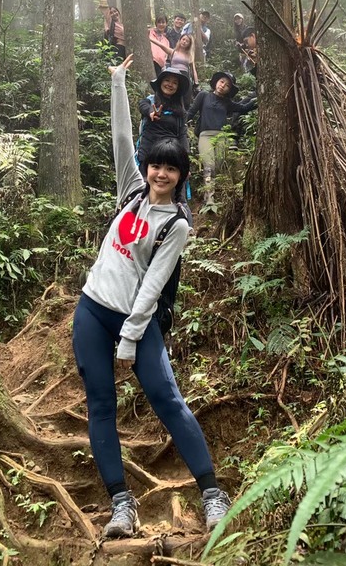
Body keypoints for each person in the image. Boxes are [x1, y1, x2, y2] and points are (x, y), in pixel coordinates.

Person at [72, 54, 231, 537]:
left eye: (170, 168)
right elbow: (123, 138)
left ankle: (211, 493)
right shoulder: (130, 190)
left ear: (182, 175)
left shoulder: (177, 224)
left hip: (133, 324)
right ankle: (122, 505)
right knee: (99, 405)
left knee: (166, 398)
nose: (161, 173)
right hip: (91, 312)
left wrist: (129, 338)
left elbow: (153, 286)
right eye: (156, 165)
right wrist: (118, 83)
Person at [186, 71, 256, 202]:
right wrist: (180, 124)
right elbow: (191, 112)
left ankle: (215, 196)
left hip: (222, 137)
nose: (223, 85)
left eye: (227, 85)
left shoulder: (227, 103)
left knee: (217, 167)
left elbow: (244, 108)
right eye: (222, 81)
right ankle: (209, 200)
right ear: (216, 82)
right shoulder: (203, 96)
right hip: (205, 136)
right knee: (208, 165)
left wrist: (259, 97)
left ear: (229, 89)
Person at [137, 66, 191, 169]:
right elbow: (143, 106)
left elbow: (182, 135)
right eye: (167, 80)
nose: (170, 85)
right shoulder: (150, 101)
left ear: (178, 87)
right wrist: (151, 112)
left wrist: (186, 162)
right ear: (160, 82)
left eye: (175, 83)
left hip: (171, 155)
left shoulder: (180, 111)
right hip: (148, 153)